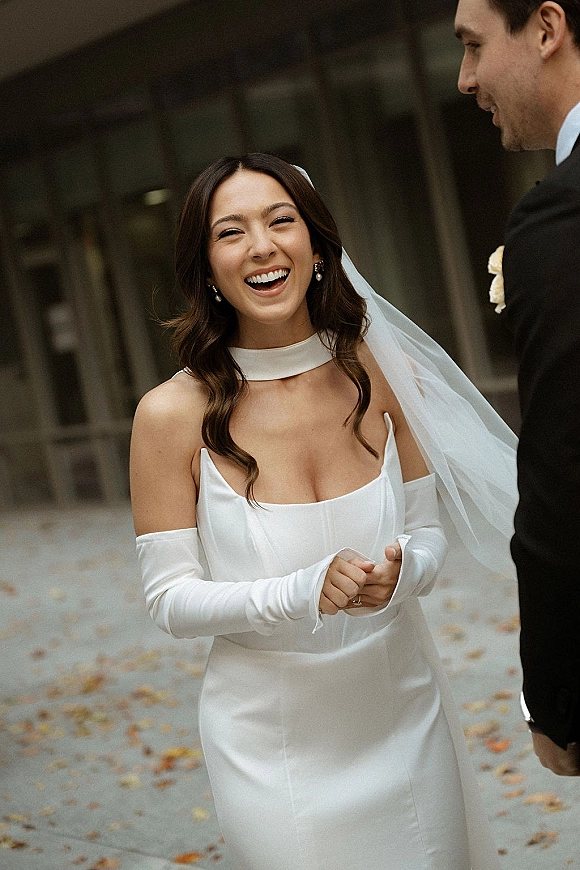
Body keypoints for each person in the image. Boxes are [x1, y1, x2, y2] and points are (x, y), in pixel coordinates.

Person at [130, 152, 518, 869]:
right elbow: (169, 599)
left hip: (403, 710)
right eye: (231, 232)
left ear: (315, 245)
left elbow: (428, 532)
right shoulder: (168, 414)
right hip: (269, 742)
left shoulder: (380, 371)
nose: (262, 246)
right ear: (206, 266)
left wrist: (403, 572)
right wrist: (301, 592)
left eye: (281, 221)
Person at [455, 0, 580, 777]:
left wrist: (558, 696)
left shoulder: (562, 216)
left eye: (473, 46)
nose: (466, 79)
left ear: (545, 27)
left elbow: (564, 474)